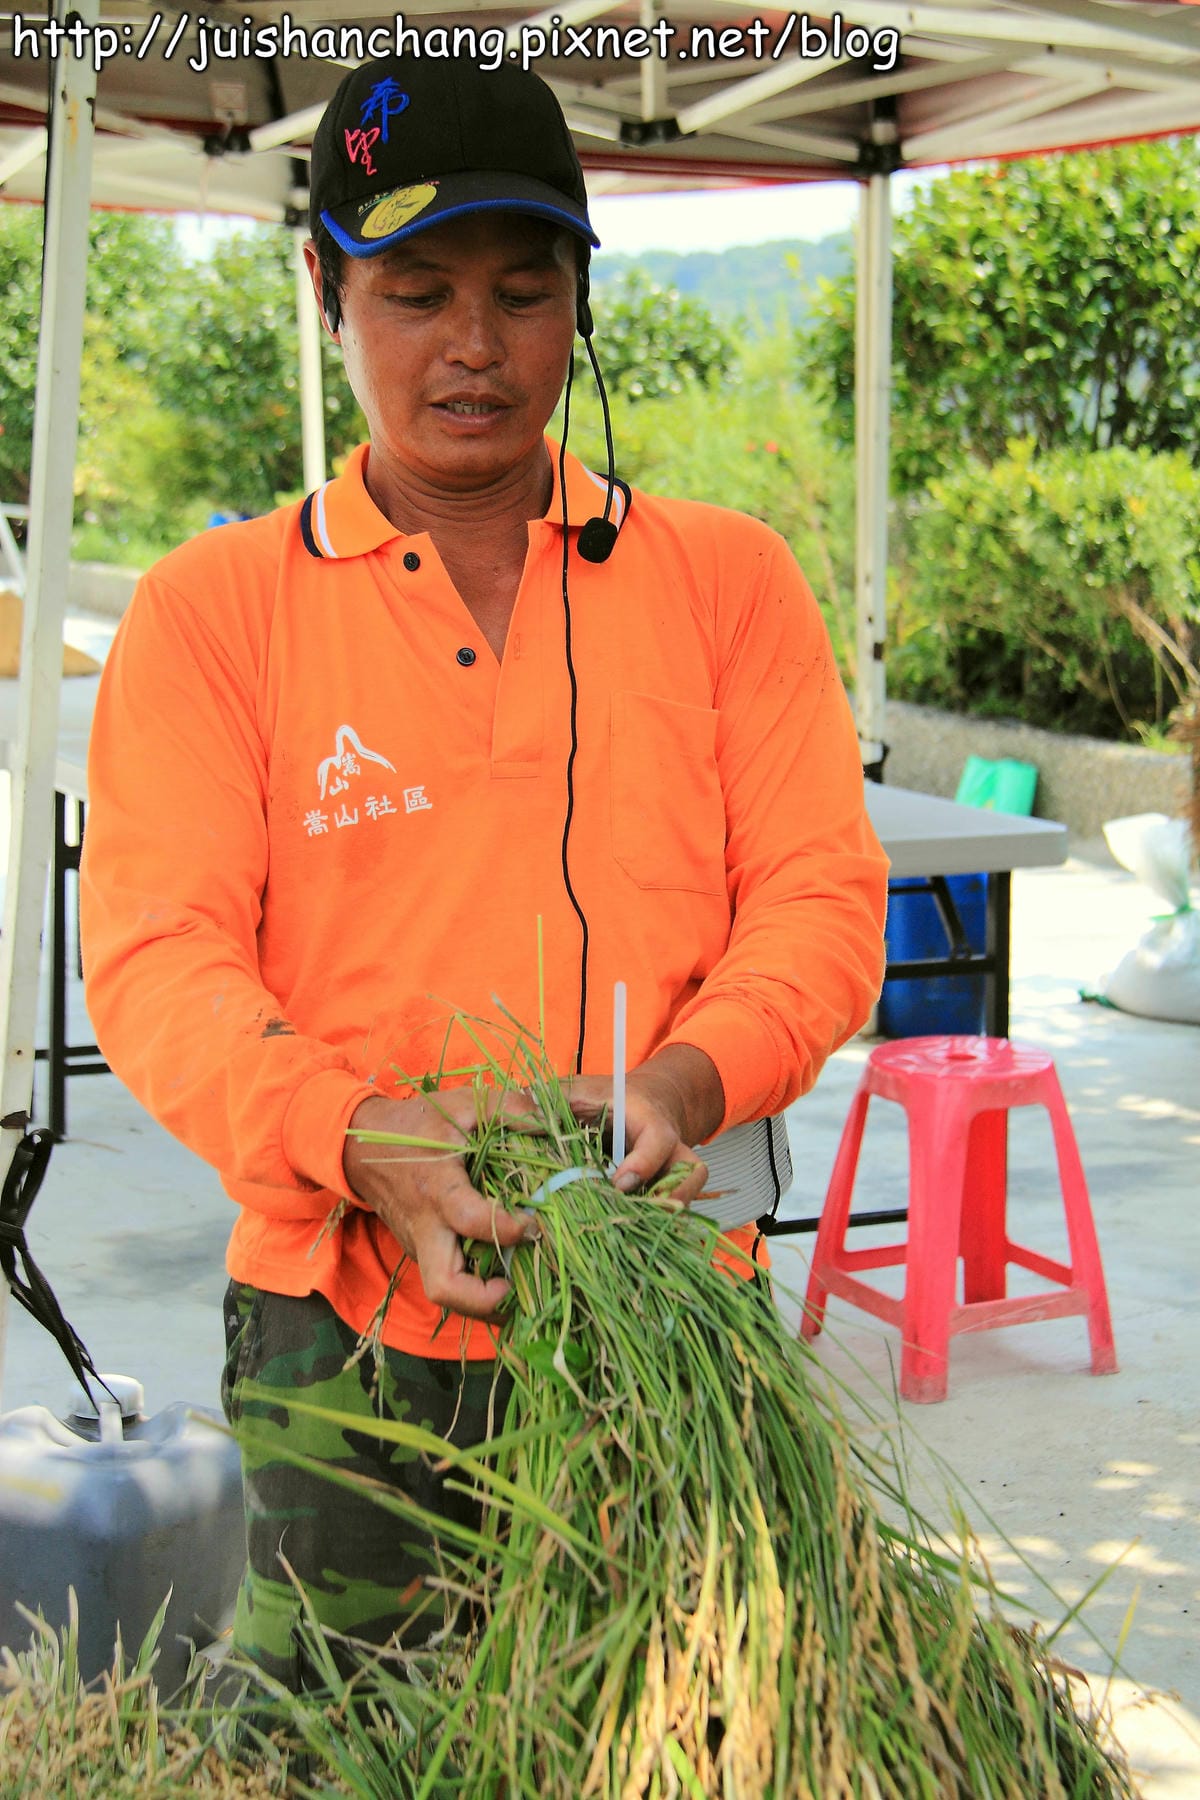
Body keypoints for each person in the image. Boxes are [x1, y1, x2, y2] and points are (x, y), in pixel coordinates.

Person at [79, 53, 889, 1688]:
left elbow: (821, 896)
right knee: (355, 1734)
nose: (473, 346)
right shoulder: (214, 611)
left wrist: (685, 1078)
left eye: (525, 292)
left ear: (582, 305)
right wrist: (359, 1135)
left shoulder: (725, 583)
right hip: (337, 1322)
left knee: (673, 1727)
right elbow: (158, 959)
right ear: (327, 295)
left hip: (670, 1300)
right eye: (417, 290)